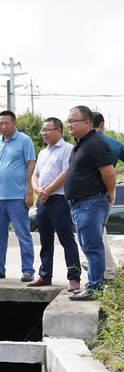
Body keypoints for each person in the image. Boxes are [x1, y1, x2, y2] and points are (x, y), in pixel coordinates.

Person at [65, 106, 116, 301]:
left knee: (93, 248)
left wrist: (111, 194)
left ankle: (95, 288)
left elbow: (109, 174)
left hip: (91, 203)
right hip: (80, 205)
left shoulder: (95, 143)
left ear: (87, 123)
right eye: (68, 121)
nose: (69, 124)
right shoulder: (81, 143)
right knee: (88, 247)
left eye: (73, 121)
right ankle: (92, 286)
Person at [0, 110, 37, 282]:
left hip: (18, 197)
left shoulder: (25, 140)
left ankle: (28, 270)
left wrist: (29, 192)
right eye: (1, 123)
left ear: (14, 124)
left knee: (23, 234)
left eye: (7, 123)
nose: (3, 126)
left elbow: (31, 166)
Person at [28, 118, 82, 290]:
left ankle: (74, 278)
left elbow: (66, 173)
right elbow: (35, 174)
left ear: (59, 131)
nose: (44, 133)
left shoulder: (68, 149)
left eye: (47, 130)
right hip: (43, 202)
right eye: (42, 130)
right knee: (45, 240)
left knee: (67, 240)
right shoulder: (43, 152)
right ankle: (45, 275)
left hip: (60, 201)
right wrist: (37, 190)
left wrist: (47, 191)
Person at [92, 112, 124, 281]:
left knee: (96, 231)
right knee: (98, 229)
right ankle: (102, 266)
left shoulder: (85, 142)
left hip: (91, 191)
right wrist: (115, 171)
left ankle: (109, 269)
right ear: (102, 125)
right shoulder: (115, 144)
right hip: (109, 189)